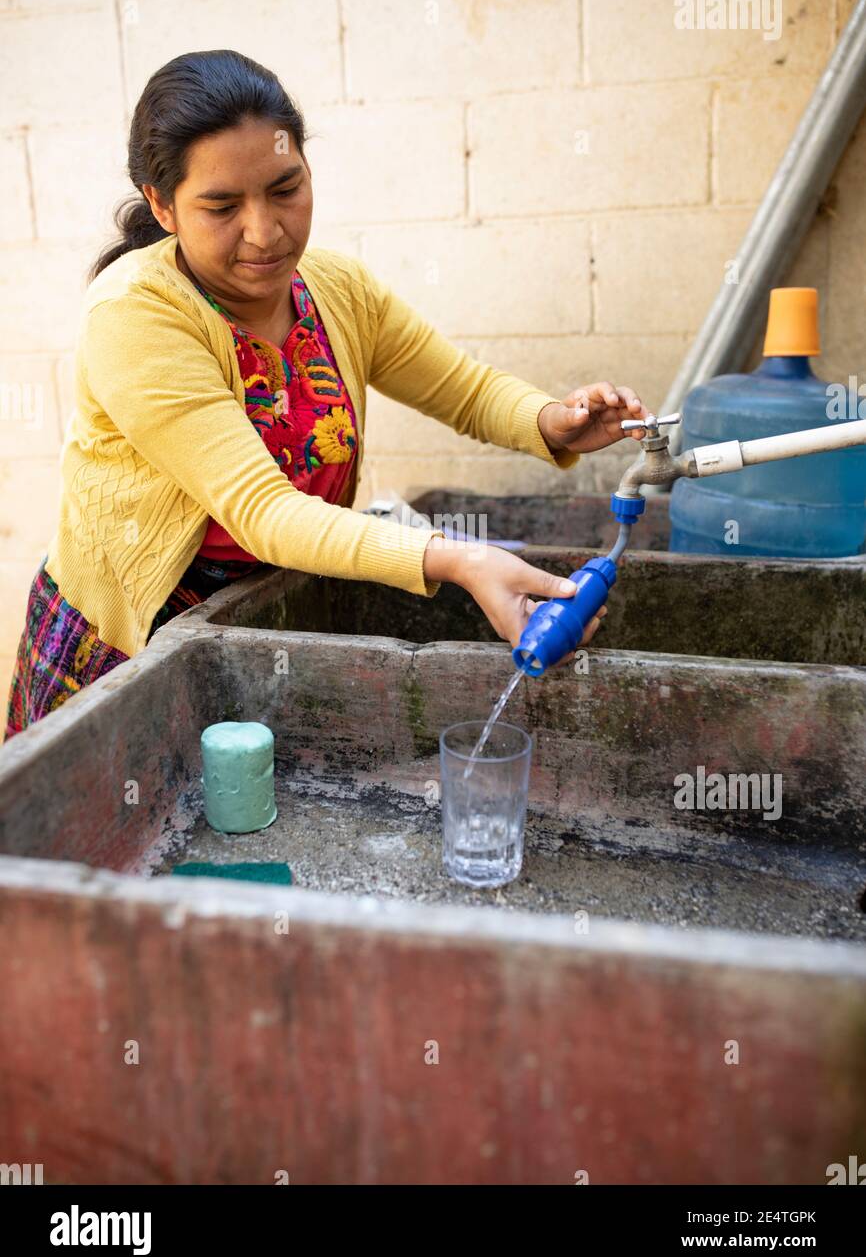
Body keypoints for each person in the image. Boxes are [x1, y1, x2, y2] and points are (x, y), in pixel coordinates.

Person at [4, 49, 645, 740]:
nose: (266, 230)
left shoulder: (336, 289)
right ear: (162, 206)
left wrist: (554, 422)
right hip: (132, 649)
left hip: (267, 617)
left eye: (285, 188)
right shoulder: (135, 315)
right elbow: (262, 509)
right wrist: (459, 558)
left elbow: (465, 390)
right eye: (221, 206)